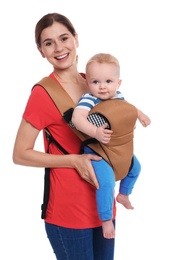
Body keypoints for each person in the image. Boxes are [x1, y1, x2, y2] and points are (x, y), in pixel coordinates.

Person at [12, 13, 118, 260]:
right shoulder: (43, 93)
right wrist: (73, 160)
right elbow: (20, 154)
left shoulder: (95, 84)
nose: (59, 48)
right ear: (41, 51)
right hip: (68, 212)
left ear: (76, 39)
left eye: (64, 38)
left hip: (103, 206)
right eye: (49, 43)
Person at [72, 53, 151, 239]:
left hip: (119, 147)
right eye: (95, 81)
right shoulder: (89, 99)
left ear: (118, 83)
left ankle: (124, 194)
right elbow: (77, 118)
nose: (102, 86)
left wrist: (139, 114)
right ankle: (106, 218)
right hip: (98, 149)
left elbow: (127, 109)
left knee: (136, 168)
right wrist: (94, 131)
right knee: (106, 183)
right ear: (88, 83)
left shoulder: (118, 96)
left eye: (108, 81)